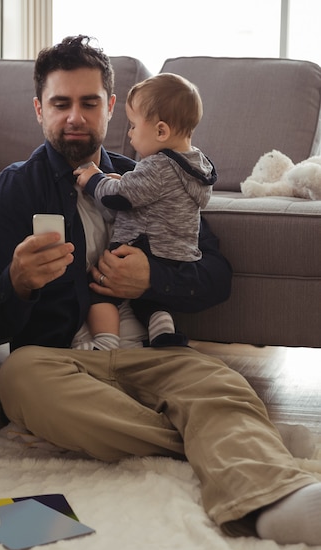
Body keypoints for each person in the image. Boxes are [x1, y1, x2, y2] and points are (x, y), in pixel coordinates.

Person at [0, 35, 321, 546]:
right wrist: (15, 284)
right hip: (62, 363)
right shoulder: (12, 190)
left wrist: (154, 278)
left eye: (89, 103)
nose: (75, 117)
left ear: (111, 107)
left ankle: (267, 501)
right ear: (38, 109)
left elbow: (215, 275)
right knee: (17, 379)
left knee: (218, 383)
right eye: (60, 104)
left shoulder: (154, 177)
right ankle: (231, 443)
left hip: (151, 351)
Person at [73, 73, 217, 350]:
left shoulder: (158, 166)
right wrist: (122, 180)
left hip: (145, 248)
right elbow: (147, 191)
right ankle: (163, 334)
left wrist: (94, 178)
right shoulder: (196, 166)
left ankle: (105, 341)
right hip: (179, 256)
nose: (129, 133)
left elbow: (120, 198)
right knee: (149, 300)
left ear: (161, 131)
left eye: (134, 126)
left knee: (100, 286)